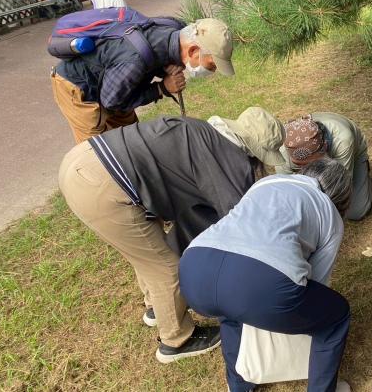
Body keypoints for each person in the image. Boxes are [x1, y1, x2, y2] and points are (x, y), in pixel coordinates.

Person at [58, 107, 285, 363]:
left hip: (84, 158)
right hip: (104, 184)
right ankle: (176, 340)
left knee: (147, 250)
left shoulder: (204, 131)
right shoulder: (229, 156)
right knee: (165, 268)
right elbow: (239, 220)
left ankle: (156, 307)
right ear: (253, 148)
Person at [179, 158, 353, 392]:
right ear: (341, 198)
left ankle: (239, 386)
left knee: (229, 312)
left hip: (194, 268)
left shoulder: (267, 182)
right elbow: (317, 281)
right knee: (336, 316)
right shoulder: (328, 211)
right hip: (260, 284)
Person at [51, 17, 234, 143]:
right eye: (212, 65)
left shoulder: (176, 28)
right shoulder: (134, 61)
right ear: (193, 50)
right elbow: (111, 102)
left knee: (132, 139)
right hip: (79, 86)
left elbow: (156, 52)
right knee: (98, 152)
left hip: (118, 79)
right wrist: (162, 88)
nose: (212, 71)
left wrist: (167, 66)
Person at [276, 112, 372, 221]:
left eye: (310, 163)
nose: (306, 170)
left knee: (356, 212)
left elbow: (341, 184)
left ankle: (364, 173)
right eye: (298, 165)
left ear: (325, 147)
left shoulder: (343, 140)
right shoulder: (283, 151)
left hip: (353, 150)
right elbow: (284, 189)